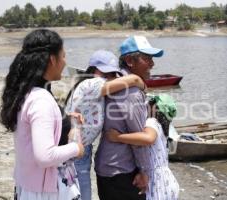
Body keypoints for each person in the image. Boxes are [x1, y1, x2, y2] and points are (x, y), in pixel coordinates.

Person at [0, 29, 85, 200]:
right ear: (52, 59)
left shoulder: (27, 93)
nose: (65, 62)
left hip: (29, 185)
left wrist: (66, 119)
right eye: (63, 56)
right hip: (47, 192)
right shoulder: (41, 100)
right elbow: (45, 156)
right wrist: (77, 148)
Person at [64, 49, 146, 200]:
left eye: (113, 74)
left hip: (77, 150)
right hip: (76, 152)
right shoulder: (93, 83)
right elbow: (133, 80)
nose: (111, 78)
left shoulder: (84, 85)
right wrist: (141, 84)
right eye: (106, 73)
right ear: (94, 70)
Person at [94, 36, 164, 200]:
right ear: (129, 61)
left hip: (109, 165)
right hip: (121, 170)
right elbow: (139, 139)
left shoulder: (117, 81)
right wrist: (144, 172)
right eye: (147, 58)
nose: (152, 64)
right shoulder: (130, 92)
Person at [107, 94, 180, 200]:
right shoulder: (163, 127)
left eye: (149, 104)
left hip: (157, 183)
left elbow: (148, 139)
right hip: (168, 180)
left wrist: (118, 137)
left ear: (154, 108)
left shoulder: (152, 122)